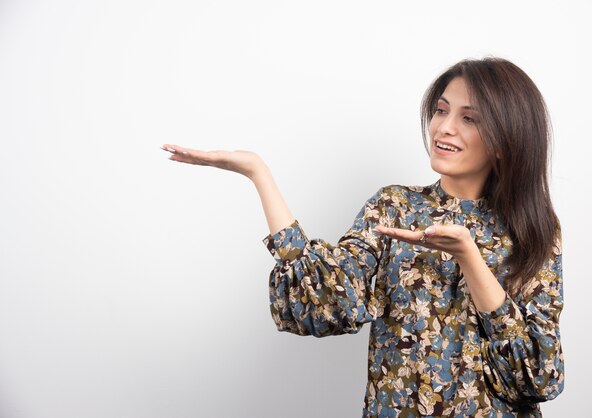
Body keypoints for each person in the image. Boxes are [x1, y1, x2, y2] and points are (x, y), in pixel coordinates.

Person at [161, 57, 564, 417]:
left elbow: (539, 379)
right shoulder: (395, 207)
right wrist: (258, 174)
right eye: (441, 110)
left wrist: (470, 259)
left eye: (469, 118)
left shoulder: (533, 230)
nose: (444, 127)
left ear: (505, 138)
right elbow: (323, 301)